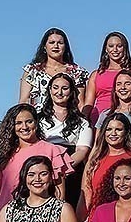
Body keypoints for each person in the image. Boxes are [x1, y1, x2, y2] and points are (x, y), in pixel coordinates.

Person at [0, 104, 72, 222]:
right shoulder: (2, 156)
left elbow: (59, 192)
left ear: (36, 122)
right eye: (18, 123)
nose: (24, 126)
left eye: (29, 121)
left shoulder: (51, 150)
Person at [38, 73, 93, 205]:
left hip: (70, 168)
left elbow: (82, 150)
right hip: (42, 166)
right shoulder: (38, 118)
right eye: (55, 87)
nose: (59, 92)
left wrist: (61, 169)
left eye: (65, 88)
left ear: (71, 91)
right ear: (50, 90)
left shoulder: (82, 122)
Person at [80, 114, 131, 217]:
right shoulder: (94, 162)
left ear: (126, 132)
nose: (113, 133)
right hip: (95, 219)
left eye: (118, 129)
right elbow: (86, 195)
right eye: (109, 129)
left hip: (125, 218)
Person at [19, 28, 89, 110]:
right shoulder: (32, 70)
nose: (56, 46)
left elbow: (80, 103)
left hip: (67, 119)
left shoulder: (77, 72)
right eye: (52, 43)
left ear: (65, 47)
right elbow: (23, 101)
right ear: (45, 47)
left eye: (60, 43)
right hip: (37, 118)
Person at [82, 32, 131, 124]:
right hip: (98, 120)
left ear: (125, 48)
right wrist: (82, 122)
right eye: (111, 46)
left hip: (125, 119)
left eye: (119, 46)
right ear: (106, 49)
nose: (115, 49)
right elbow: (89, 103)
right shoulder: (96, 74)